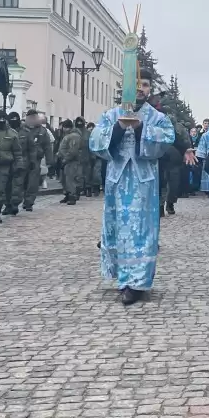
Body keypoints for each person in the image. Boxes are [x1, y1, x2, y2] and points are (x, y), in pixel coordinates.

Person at [90, 69, 180, 305]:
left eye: (146, 84)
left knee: (141, 231)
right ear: (126, 87)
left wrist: (142, 128)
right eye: (135, 83)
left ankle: (138, 283)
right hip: (117, 182)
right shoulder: (111, 115)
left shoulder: (157, 117)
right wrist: (119, 128)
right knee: (118, 228)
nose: (140, 88)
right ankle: (123, 279)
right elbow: (95, 141)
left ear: (150, 89)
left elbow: (167, 139)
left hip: (144, 183)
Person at [0, 109, 22, 223]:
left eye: (3, 119)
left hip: (4, 165)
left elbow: (17, 151)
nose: (1, 121)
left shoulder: (12, 133)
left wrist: (19, 165)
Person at [57, 119, 82, 204]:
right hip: (65, 160)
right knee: (64, 179)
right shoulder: (68, 135)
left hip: (71, 161)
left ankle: (72, 196)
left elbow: (73, 150)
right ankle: (67, 194)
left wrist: (66, 159)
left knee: (70, 179)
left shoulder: (74, 136)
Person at [82, 121, 100, 197]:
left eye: (92, 128)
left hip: (97, 157)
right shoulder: (85, 136)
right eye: (90, 128)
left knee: (96, 174)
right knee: (87, 174)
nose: (91, 129)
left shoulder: (97, 136)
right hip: (88, 157)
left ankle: (96, 188)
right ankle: (88, 189)